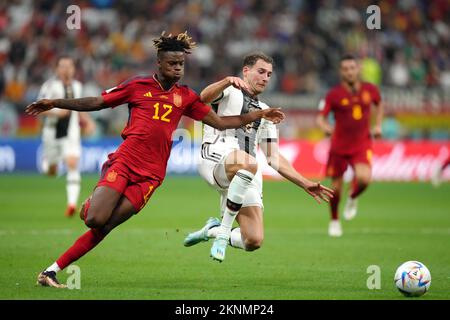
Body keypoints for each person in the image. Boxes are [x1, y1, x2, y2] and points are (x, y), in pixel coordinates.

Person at [25, 32, 285, 288]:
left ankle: (51, 271)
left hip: (151, 176)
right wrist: (56, 103)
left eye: (181, 64)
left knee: (106, 226)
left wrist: (260, 115)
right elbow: (98, 102)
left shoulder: (185, 97)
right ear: (159, 63)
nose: (178, 69)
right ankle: (91, 206)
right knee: (94, 219)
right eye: (172, 63)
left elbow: (220, 121)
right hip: (125, 162)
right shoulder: (137, 86)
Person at [183, 52, 334, 262]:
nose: (265, 78)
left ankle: (213, 231)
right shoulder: (230, 91)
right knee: (248, 163)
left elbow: (273, 157)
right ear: (246, 71)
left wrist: (305, 183)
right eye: (261, 71)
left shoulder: (265, 112)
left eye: (269, 74)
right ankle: (225, 230)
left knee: (252, 240)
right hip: (217, 157)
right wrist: (226, 81)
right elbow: (202, 98)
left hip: (246, 171)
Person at [316, 54, 383, 237]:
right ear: (341, 72)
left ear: (358, 69)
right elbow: (321, 117)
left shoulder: (371, 89)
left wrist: (377, 125)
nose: (349, 72)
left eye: (352, 68)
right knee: (335, 188)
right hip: (339, 146)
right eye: (345, 69)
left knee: (364, 179)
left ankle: (352, 198)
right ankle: (335, 220)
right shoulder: (334, 94)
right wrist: (325, 127)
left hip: (362, 144)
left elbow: (379, 104)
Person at [37, 56, 95, 217]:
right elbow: (38, 108)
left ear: (74, 69)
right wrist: (57, 112)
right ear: (57, 69)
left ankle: (71, 204)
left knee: (72, 163)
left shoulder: (77, 86)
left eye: (69, 66)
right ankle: (48, 165)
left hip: (71, 134)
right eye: (62, 66)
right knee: (52, 171)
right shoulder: (49, 86)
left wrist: (88, 122)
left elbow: (79, 108)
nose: (66, 69)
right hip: (52, 134)